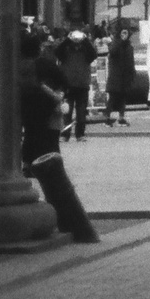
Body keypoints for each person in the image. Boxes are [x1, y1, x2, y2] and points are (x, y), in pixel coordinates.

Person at [21, 58, 101, 243]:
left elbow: (57, 92)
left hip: (45, 115)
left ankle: (35, 166)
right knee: (48, 143)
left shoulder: (38, 77)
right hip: (48, 116)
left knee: (41, 142)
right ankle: (47, 167)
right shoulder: (45, 71)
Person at [57, 28, 96, 141]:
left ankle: (80, 134)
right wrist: (68, 40)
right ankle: (65, 134)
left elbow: (94, 54)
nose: (76, 42)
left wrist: (85, 40)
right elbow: (57, 51)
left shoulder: (86, 52)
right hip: (68, 84)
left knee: (81, 113)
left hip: (82, 84)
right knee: (66, 113)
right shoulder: (66, 51)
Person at [103, 23, 137, 126]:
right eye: (123, 32)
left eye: (126, 33)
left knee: (123, 97)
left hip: (125, 75)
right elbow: (113, 52)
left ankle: (121, 117)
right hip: (116, 75)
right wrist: (120, 41)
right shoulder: (115, 43)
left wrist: (132, 73)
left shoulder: (129, 46)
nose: (125, 35)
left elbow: (131, 60)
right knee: (113, 97)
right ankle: (107, 117)